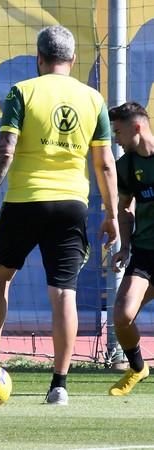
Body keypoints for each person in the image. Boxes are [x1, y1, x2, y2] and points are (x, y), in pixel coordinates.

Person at [0, 25, 119, 405]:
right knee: (63, 293)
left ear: (38, 59)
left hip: (26, 201)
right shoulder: (93, 99)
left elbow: (5, 150)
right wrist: (111, 214)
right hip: (72, 205)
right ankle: (59, 385)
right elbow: (105, 164)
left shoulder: (23, 91)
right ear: (73, 60)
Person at [107, 102, 154, 396]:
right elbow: (125, 208)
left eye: (118, 131)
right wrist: (124, 247)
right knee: (123, 315)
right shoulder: (125, 167)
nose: (115, 138)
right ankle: (137, 368)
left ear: (136, 127)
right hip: (146, 253)